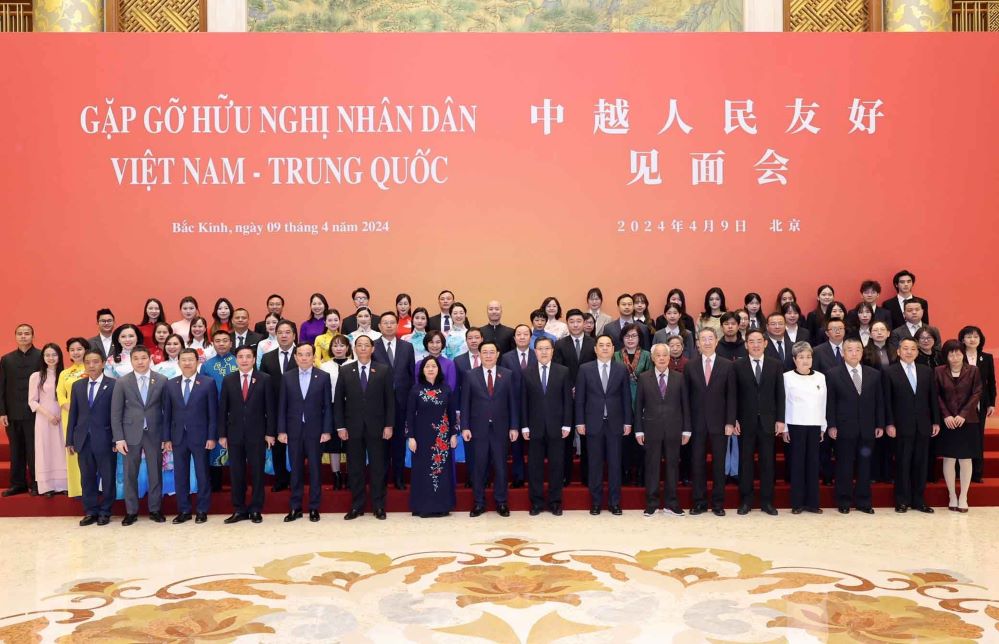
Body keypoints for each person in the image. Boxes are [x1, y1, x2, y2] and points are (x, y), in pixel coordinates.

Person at [335, 335, 394, 521]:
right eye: (359, 345)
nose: (362, 348)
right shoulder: (345, 370)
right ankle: (357, 506)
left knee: (378, 468)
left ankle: (379, 506)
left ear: (372, 349)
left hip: (378, 427)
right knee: (355, 468)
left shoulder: (383, 370)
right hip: (352, 427)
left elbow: (390, 401)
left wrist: (389, 425)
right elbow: (338, 401)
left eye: (366, 345)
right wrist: (340, 427)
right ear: (354, 348)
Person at [825, 338, 884, 514]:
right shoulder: (833, 374)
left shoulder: (874, 374)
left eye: (858, 349)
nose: (854, 353)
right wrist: (831, 425)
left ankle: (863, 501)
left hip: (867, 427)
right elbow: (830, 403)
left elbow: (879, 402)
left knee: (865, 466)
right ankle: (844, 501)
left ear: (862, 352)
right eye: (849, 350)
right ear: (843, 353)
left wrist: (880, 424)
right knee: (844, 465)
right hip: (844, 428)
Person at [575, 334, 632, 515]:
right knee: (595, 465)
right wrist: (580, 421)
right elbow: (580, 399)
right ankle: (596, 502)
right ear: (595, 349)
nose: (605, 348)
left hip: (615, 424)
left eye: (608, 345)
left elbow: (626, 397)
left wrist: (628, 422)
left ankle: (615, 503)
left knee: (615, 465)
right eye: (601, 345)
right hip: (593, 423)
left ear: (613, 349)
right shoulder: (585, 369)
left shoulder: (621, 369)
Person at [110, 346, 167, 525]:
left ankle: (155, 509)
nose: (140, 362)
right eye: (136, 358)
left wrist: (166, 437)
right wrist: (119, 438)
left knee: (155, 473)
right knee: (130, 474)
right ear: (131, 360)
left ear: (150, 359)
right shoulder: (122, 382)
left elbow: (167, 411)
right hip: (130, 435)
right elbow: (115, 412)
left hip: (155, 434)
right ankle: (131, 511)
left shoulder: (162, 380)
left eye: (143, 358)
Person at [219, 345, 275, 524]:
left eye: (248, 356)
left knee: (257, 473)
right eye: (241, 356)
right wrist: (222, 434)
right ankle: (239, 509)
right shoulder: (228, 380)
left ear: (254, 359)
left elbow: (270, 408)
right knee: (236, 473)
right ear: (236, 360)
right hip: (234, 434)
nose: (244, 360)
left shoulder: (264, 379)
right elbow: (223, 409)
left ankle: (256, 509)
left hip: (257, 433)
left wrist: (270, 433)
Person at [883, 338, 941, 513]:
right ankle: (902, 501)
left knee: (921, 464)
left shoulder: (926, 371)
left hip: (923, 425)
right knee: (903, 463)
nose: (909, 352)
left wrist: (936, 421)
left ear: (917, 352)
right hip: (901, 426)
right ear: (898, 351)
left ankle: (919, 501)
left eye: (913, 349)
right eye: (905, 348)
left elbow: (933, 398)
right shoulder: (889, 371)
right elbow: (887, 401)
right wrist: (889, 423)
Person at [461, 341, 518, 517]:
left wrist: (514, 426)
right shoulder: (470, 375)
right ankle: (479, 503)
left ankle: (501, 502)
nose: (488, 355)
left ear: (498, 354)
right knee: (478, 467)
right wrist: (465, 426)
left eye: (491, 352)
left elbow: (513, 402)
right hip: (478, 429)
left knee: (501, 466)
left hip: (501, 429)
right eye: (484, 352)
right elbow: (465, 403)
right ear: (479, 354)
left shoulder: (507, 374)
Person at [684, 328, 737, 516]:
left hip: (720, 423)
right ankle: (699, 502)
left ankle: (717, 503)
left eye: (710, 339)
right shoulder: (690, 366)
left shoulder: (727, 365)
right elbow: (686, 398)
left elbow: (732, 396)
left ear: (716, 341)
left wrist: (730, 421)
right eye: (703, 339)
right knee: (697, 463)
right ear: (698, 343)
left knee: (719, 463)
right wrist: (686, 425)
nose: (706, 342)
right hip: (696, 423)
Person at [161, 348, 217, 524]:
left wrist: (211, 437)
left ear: (197, 361)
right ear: (178, 362)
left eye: (191, 359)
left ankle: (202, 510)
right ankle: (184, 510)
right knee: (180, 475)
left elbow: (213, 413)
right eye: (183, 360)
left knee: (202, 474)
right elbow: (167, 414)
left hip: (201, 437)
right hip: (178, 437)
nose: (187, 363)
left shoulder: (207, 383)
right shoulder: (171, 384)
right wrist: (166, 438)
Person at [279, 344, 333, 522]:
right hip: (293, 430)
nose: (304, 358)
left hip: (315, 431)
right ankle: (295, 507)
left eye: (308, 354)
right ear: (295, 357)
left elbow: (327, 406)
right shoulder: (287, 377)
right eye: (300, 354)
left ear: (313, 357)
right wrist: (281, 430)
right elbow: (282, 406)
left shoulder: (323, 377)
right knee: (295, 470)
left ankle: (314, 507)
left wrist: (327, 430)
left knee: (315, 470)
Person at [733, 329, 785, 515]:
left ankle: (767, 502)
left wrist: (780, 419)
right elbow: (734, 395)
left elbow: (780, 394)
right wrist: (734, 419)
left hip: (768, 421)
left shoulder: (775, 364)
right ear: (746, 345)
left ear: (765, 343)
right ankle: (746, 501)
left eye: (758, 341)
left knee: (768, 463)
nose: (755, 345)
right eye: (751, 341)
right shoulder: (737, 365)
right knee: (745, 462)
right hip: (745, 422)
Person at [635, 343, 689, 517]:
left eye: (665, 355)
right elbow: (638, 406)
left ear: (669, 357)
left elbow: (685, 405)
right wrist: (639, 430)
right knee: (652, 466)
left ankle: (671, 503)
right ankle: (652, 503)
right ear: (652, 358)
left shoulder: (679, 377)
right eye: (658, 355)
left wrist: (686, 430)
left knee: (672, 466)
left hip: (674, 428)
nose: (661, 358)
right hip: (651, 428)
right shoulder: (644, 378)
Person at [521, 337, 572, 515]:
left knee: (556, 466)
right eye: (540, 349)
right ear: (535, 352)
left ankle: (555, 502)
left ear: (552, 351)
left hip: (557, 427)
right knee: (534, 467)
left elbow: (567, 400)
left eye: (547, 348)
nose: (544, 352)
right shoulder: (526, 372)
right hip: (534, 427)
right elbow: (523, 401)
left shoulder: (563, 371)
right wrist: (524, 426)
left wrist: (567, 424)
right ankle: (536, 502)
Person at [66, 350, 117, 525]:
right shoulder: (77, 386)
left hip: (105, 438)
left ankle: (105, 511)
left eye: (95, 362)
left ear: (103, 363)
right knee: (87, 477)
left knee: (108, 477)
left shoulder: (113, 385)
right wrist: (70, 439)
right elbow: (73, 414)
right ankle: (90, 511)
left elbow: (116, 414)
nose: (91, 365)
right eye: (87, 362)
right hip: (83, 439)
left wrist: (116, 438)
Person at [406, 356, 459, 517]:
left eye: (433, 366)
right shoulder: (416, 390)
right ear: (422, 370)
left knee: (441, 471)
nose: (430, 369)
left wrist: (453, 434)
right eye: (427, 366)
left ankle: (442, 506)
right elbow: (410, 415)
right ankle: (423, 507)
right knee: (422, 471)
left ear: (438, 369)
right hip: (421, 437)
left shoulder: (446, 389)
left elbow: (451, 414)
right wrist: (411, 437)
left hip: (441, 437)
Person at [935, 339, 982, 513]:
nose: (954, 357)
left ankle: (963, 497)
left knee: (965, 459)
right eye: (951, 354)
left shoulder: (973, 371)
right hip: (948, 422)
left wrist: (963, 414)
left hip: (967, 421)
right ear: (945, 356)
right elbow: (936, 395)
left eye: (958, 353)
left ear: (963, 354)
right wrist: (946, 415)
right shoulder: (939, 371)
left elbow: (977, 393)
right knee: (949, 458)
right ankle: (952, 495)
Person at [554, 309, 597, 486]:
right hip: (566, 398)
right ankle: (565, 476)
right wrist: (570, 387)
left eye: (579, 321)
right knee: (566, 439)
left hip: (589, 397)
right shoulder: (559, 344)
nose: (576, 324)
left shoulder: (594, 343)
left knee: (588, 439)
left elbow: (596, 368)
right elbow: (557, 369)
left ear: (584, 323)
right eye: (572, 321)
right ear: (567, 323)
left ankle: (587, 476)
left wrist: (582, 387)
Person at [373, 312, 415, 490]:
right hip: (379, 403)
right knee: (381, 444)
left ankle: (398, 478)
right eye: (385, 323)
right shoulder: (372, 346)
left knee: (398, 442)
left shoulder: (407, 347)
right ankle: (381, 479)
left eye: (392, 322)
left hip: (401, 402)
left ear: (397, 325)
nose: (389, 326)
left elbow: (411, 375)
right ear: (379, 326)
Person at [0, 324, 44, 496]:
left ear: (33, 336)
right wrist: (2, 412)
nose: (23, 336)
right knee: (15, 450)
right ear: (15, 336)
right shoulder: (6, 359)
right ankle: (17, 484)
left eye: (27, 333)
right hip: (12, 413)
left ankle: (36, 483)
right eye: (20, 333)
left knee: (34, 450)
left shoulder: (41, 356)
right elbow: (1, 387)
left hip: (35, 412)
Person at [783, 342, 827, 514]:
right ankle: (797, 503)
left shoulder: (820, 377)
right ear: (794, 360)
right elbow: (784, 403)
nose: (805, 360)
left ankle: (813, 503)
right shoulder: (787, 377)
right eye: (801, 357)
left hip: (815, 425)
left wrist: (823, 426)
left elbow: (823, 402)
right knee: (797, 465)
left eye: (808, 357)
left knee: (813, 465)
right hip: (795, 425)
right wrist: (785, 428)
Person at [259, 319, 297, 492]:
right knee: (277, 447)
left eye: (287, 332)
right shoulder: (268, 357)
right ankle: (281, 479)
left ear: (294, 335)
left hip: (297, 409)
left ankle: (296, 479)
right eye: (280, 332)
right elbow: (263, 385)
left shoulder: (303, 354)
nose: (283, 335)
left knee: (297, 445)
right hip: (274, 409)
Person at [614, 323, 652, 487]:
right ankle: (626, 472)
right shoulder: (615, 355)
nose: (630, 339)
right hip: (620, 402)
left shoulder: (647, 355)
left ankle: (642, 473)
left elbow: (651, 379)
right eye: (627, 336)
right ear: (622, 338)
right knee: (624, 442)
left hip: (642, 401)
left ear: (639, 338)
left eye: (634, 336)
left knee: (641, 440)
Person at [200, 329, 238, 491]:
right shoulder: (206, 366)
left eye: (225, 340)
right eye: (218, 341)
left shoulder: (239, 361)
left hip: (237, 413)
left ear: (231, 343)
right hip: (214, 412)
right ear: (213, 344)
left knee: (236, 447)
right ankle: (215, 485)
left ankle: (237, 485)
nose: (221, 344)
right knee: (215, 448)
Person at [29, 343, 67, 497]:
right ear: (43, 357)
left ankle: (64, 484)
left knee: (62, 450)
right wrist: (49, 416)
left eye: (54, 355)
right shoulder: (36, 376)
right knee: (45, 450)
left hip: (63, 418)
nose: (51, 358)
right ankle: (47, 486)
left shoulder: (65, 374)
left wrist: (61, 415)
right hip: (44, 419)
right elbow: (32, 401)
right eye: (47, 355)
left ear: (60, 356)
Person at [500, 324, 535, 488]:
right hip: (513, 405)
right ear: (514, 338)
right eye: (518, 334)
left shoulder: (537, 354)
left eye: (525, 334)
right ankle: (518, 476)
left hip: (534, 406)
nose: (522, 337)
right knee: (516, 444)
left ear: (530, 337)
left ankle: (534, 477)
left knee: (534, 444)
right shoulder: (506, 358)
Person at [812, 317, 846, 486]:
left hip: (846, 403)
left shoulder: (852, 349)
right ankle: (826, 476)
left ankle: (842, 476)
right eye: (833, 329)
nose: (837, 331)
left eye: (840, 328)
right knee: (824, 443)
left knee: (843, 444)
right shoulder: (818, 351)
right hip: (824, 402)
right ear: (827, 333)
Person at [960, 325, 995, 483]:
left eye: (975, 336)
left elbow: (991, 382)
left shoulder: (986, 357)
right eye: (968, 336)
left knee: (978, 437)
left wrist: (991, 403)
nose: (972, 339)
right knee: (962, 437)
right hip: (961, 404)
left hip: (981, 403)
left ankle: (977, 472)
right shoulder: (958, 356)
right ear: (962, 339)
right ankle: (960, 471)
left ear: (980, 339)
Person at [318, 334, 353, 489]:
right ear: (331, 348)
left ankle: (351, 475)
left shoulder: (354, 364)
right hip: (331, 406)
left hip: (351, 407)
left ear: (347, 348)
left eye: (342, 345)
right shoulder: (324, 366)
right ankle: (336, 475)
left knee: (351, 442)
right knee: (333, 444)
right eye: (335, 345)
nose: (338, 348)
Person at [57, 338, 88, 498]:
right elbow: (60, 394)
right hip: (69, 415)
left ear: (86, 350)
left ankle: (93, 486)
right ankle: (76, 488)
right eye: (72, 350)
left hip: (89, 416)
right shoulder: (65, 373)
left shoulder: (92, 368)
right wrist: (67, 406)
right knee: (73, 450)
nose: (76, 352)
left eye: (79, 349)